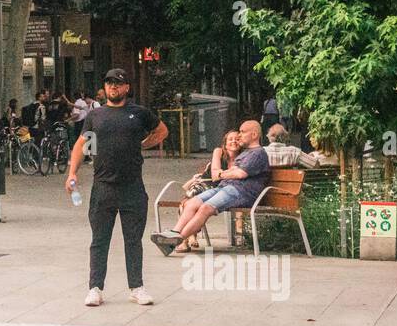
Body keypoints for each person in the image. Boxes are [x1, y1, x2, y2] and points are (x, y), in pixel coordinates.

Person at [66, 68, 166, 307]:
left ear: (126, 88)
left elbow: (162, 130)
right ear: (105, 87)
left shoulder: (138, 113)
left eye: (118, 84)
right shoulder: (95, 116)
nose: (113, 87)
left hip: (132, 186)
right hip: (103, 187)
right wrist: (72, 173)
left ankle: (136, 287)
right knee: (99, 240)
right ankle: (95, 288)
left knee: (133, 239)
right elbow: (82, 145)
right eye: (109, 83)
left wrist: (142, 144)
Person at [152, 120, 271, 256]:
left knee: (205, 208)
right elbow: (228, 173)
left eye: (243, 132)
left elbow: (239, 173)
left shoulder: (258, 153)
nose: (239, 136)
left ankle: (175, 241)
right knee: (192, 203)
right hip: (225, 187)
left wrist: (222, 173)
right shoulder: (246, 153)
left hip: (240, 191)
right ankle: (173, 233)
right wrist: (224, 173)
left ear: (254, 134)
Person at [177, 130, 242, 253]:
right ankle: (185, 240)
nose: (234, 141)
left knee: (194, 204)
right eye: (230, 139)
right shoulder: (219, 152)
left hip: (221, 189)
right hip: (206, 184)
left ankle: (189, 236)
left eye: (237, 139)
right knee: (190, 200)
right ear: (225, 143)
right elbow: (215, 175)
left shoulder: (244, 157)